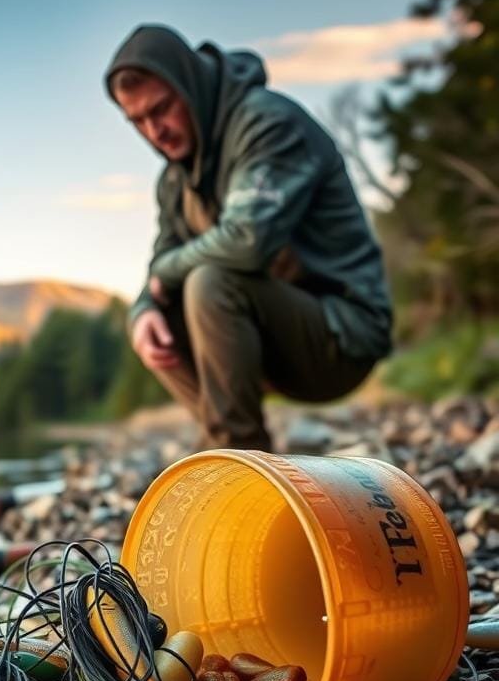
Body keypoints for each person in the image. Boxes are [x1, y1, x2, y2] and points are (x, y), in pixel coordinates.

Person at [106, 25, 393, 451]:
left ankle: (236, 463)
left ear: (190, 83)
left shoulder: (267, 123)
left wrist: (164, 275)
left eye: (161, 109)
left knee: (210, 280)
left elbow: (246, 242)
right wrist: (143, 309)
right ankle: (232, 453)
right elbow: (160, 262)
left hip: (342, 335)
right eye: (138, 122)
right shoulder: (174, 181)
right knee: (156, 319)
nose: (154, 132)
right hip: (266, 340)